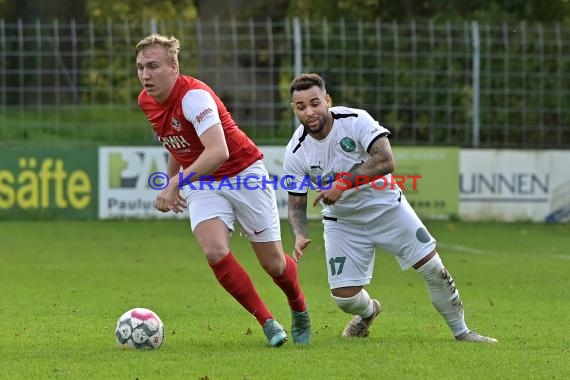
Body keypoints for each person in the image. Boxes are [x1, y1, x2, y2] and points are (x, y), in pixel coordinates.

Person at [283, 73, 496, 343]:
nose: (309, 112)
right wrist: (299, 234)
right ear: (294, 109)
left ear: (327, 100)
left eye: (315, 103)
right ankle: (369, 312)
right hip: (343, 223)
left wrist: (343, 184)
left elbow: (385, 160)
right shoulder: (295, 150)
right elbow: (296, 203)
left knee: (433, 268)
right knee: (344, 299)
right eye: (301, 107)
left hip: (388, 209)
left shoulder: (356, 120)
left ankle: (462, 332)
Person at [135, 34, 311, 347]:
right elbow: (177, 140)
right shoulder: (146, 101)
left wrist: (177, 182)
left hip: (243, 173)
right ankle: (267, 321)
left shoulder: (195, 98)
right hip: (203, 182)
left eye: (153, 66)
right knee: (214, 249)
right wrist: (170, 180)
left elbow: (218, 152)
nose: (146, 75)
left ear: (174, 66)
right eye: (140, 68)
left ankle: (299, 306)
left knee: (273, 264)